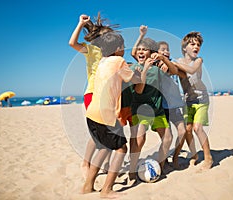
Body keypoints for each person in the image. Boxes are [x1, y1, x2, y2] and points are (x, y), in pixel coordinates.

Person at [81, 31, 148, 198]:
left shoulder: (102, 62)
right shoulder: (119, 61)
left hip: (91, 113)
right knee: (121, 149)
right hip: (107, 115)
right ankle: (107, 189)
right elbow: (133, 81)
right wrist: (142, 72)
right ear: (118, 48)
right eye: (123, 47)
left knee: (104, 148)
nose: (124, 50)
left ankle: (87, 186)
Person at [69, 12, 114, 180]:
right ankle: (85, 163)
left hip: (109, 95)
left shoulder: (113, 54)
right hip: (93, 94)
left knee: (110, 132)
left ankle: (107, 164)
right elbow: (72, 43)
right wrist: (81, 24)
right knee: (98, 136)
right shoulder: (91, 49)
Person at [128, 25, 173, 181]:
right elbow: (139, 91)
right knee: (139, 141)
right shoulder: (135, 67)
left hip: (157, 110)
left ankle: (160, 165)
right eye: (139, 49)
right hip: (139, 110)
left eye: (144, 50)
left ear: (151, 53)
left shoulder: (158, 67)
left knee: (167, 138)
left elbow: (170, 69)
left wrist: (163, 59)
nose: (140, 52)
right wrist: (141, 36)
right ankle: (132, 172)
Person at [175, 31, 213, 171]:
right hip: (188, 100)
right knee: (188, 130)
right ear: (185, 47)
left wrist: (175, 64)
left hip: (201, 99)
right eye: (192, 44)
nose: (196, 46)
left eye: (198, 44)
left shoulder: (198, 61)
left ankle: (208, 158)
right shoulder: (178, 61)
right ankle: (194, 155)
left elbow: (190, 71)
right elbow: (173, 70)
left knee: (197, 128)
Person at [155, 41, 188, 169]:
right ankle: (162, 164)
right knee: (167, 137)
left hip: (174, 106)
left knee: (182, 131)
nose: (165, 52)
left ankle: (175, 157)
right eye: (162, 49)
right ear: (156, 52)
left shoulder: (173, 62)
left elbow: (182, 74)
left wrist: (167, 63)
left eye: (167, 49)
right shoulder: (155, 65)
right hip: (162, 107)